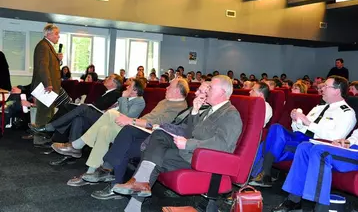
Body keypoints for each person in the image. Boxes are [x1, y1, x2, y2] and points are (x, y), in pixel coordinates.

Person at [113, 75, 243, 212]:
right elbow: (190, 132)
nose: (207, 90)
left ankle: (135, 198)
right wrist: (194, 111)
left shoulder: (230, 114)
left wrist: (188, 144)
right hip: (191, 151)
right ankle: (139, 187)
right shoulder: (210, 111)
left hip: (204, 159)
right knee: (158, 134)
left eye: (211, 88)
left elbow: (221, 144)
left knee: (155, 154)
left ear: (222, 92)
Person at [88, 82, 211, 199]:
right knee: (125, 140)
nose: (195, 93)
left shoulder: (199, 111)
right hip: (159, 136)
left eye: (200, 91)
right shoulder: (189, 108)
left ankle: (107, 169)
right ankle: (114, 183)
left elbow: (188, 133)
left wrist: (140, 123)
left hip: (168, 142)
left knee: (128, 133)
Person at [52, 78, 189, 180]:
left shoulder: (180, 106)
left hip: (148, 133)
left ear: (177, 91)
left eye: (169, 87)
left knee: (111, 114)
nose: (166, 88)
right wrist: (134, 122)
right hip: (139, 126)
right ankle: (90, 172)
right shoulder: (165, 101)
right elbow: (149, 117)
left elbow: (157, 123)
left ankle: (77, 145)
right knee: (104, 129)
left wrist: (132, 121)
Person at [249, 76, 356, 187]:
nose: (322, 89)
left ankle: (260, 174)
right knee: (276, 128)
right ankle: (262, 174)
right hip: (299, 136)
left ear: (337, 91)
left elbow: (335, 137)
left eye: (326, 86)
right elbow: (300, 128)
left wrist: (309, 123)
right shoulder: (318, 108)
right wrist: (296, 121)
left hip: (313, 143)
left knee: (269, 142)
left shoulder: (347, 113)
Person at [272, 130, 358, 212]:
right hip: (352, 149)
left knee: (320, 152)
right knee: (305, 147)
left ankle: (321, 208)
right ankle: (294, 200)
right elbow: (355, 136)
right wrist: (346, 142)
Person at [43, 76, 139, 145]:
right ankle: (70, 148)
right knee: (77, 118)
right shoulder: (112, 93)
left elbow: (118, 113)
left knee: (71, 107)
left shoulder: (118, 94)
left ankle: (50, 128)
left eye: (109, 78)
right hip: (99, 114)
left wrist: (123, 98)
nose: (126, 87)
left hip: (104, 118)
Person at [31, 24, 63, 128]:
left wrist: (58, 60)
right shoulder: (43, 46)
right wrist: (48, 83)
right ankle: (40, 140)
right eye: (56, 34)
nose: (58, 36)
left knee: (48, 113)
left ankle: (44, 137)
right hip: (46, 86)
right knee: (44, 114)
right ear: (48, 34)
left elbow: (50, 66)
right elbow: (42, 67)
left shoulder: (48, 46)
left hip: (49, 86)